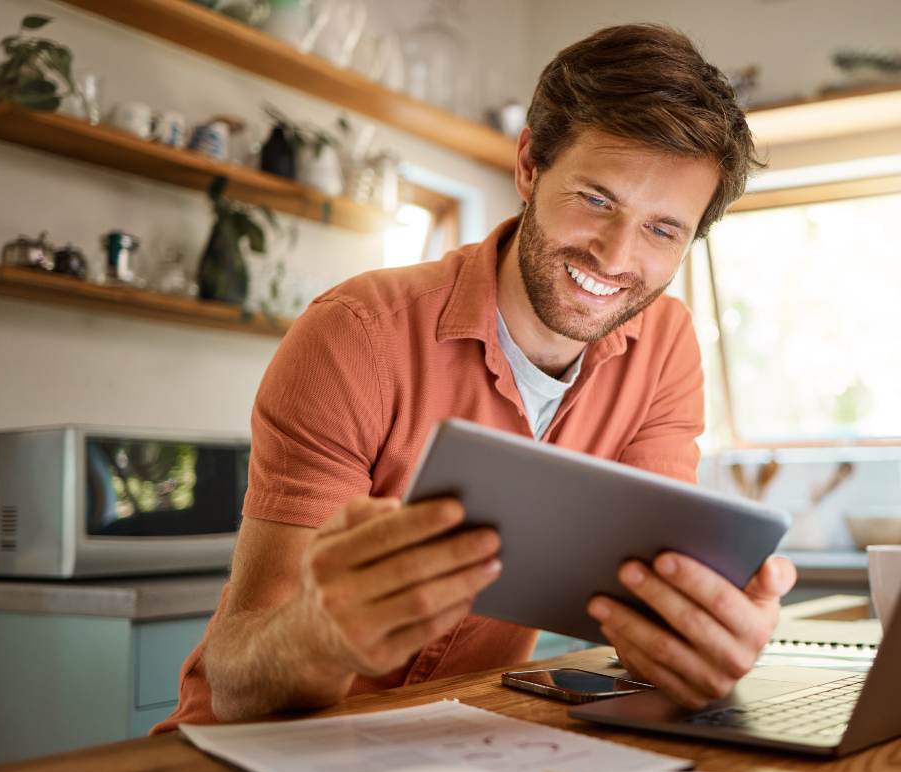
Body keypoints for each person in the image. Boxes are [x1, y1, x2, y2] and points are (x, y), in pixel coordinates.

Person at [154, 23, 796, 732]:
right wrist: (320, 634)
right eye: (597, 199)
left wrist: (697, 641)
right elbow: (240, 681)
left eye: (662, 230)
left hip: (449, 747)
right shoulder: (355, 335)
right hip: (254, 752)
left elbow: (648, 609)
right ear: (528, 165)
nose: (616, 256)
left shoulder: (665, 345)